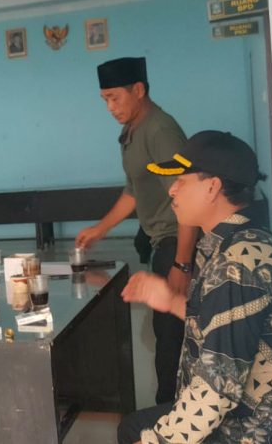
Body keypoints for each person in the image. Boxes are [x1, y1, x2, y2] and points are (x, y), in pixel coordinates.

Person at [118, 131, 272, 443]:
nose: (172, 189)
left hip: (247, 429)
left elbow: (216, 391)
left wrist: (155, 441)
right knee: (133, 425)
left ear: (212, 187)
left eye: (181, 181)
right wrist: (171, 301)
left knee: (138, 431)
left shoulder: (237, 264)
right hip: (235, 411)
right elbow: (226, 324)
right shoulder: (239, 240)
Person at [75, 56, 199, 404]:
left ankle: (170, 412)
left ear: (139, 90)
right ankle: (169, 408)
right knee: (165, 334)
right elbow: (133, 190)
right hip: (161, 241)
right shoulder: (133, 131)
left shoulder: (160, 132)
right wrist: (100, 229)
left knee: (171, 337)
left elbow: (186, 200)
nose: (110, 107)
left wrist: (182, 264)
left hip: (176, 242)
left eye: (115, 97)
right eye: (105, 100)